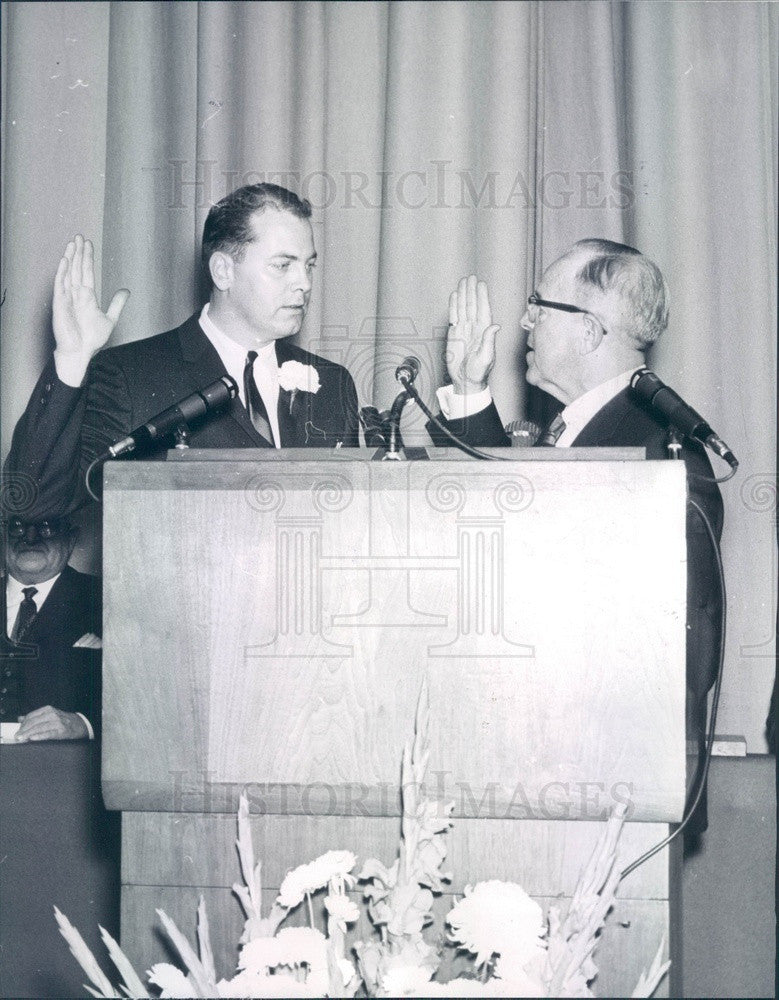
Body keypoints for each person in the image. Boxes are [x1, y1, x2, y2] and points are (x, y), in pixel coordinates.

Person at [433, 239, 724, 834]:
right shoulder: (592, 427)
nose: (523, 320)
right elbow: (512, 518)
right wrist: (468, 389)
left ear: (590, 332)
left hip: (604, 776)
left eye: (540, 304)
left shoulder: (659, 449)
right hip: (550, 769)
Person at [4, 183, 360, 519]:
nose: (305, 283)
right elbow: (34, 505)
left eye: (309, 265)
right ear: (223, 271)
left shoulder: (333, 384)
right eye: (283, 266)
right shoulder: (130, 375)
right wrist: (72, 359)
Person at [2, 516, 101, 740]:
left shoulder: (108, 599)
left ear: (71, 539)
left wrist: (84, 725)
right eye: (17, 527)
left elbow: (147, 699)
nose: (30, 538)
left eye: (47, 527)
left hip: (61, 766)